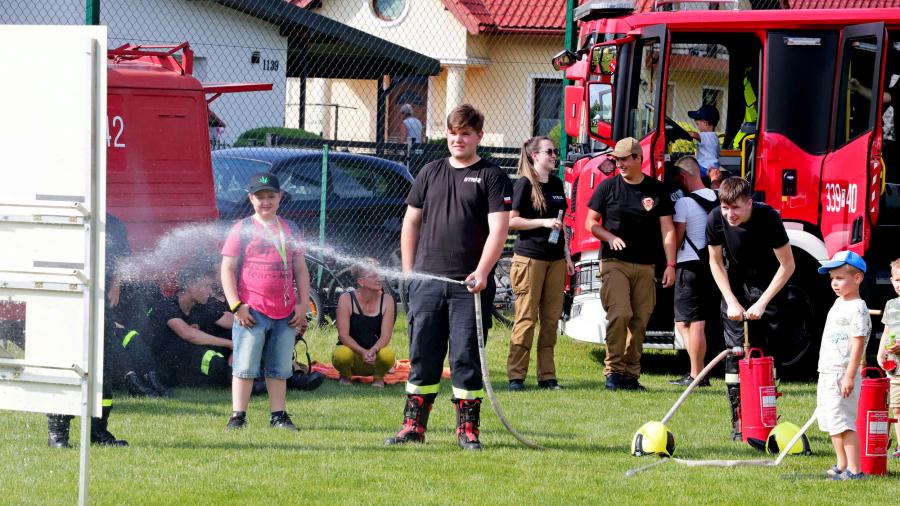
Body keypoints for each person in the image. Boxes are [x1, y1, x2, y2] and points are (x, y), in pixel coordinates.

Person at [384, 104, 512, 450]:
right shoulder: (429, 172)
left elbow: (499, 229)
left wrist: (482, 272)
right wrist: (409, 271)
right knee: (422, 355)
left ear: (478, 136)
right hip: (427, 285)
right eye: (453, 133)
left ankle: (467, 431)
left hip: (469, 288)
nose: (458, 140)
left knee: (466, 358)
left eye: (465, 134)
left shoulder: (492, 176)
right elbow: (411, 222)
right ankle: (412, 426)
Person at [706, 176, 795, 441]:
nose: (729, 214)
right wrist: (731, 300)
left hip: (768, 288)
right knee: (735, 355)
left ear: (749, 203)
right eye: (725, 208)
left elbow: (788, 265)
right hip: (735, 287)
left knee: (764, 357)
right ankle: (739, 423)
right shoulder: (715, 218)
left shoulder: (768, 218)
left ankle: (765, 420)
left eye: (735, 208)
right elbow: (715, 262)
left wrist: (763, 302)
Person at [584, 137, 676, 391]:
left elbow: (668, 229)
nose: (620, 165)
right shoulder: (608, 187)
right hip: (614, 262)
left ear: (639, 159)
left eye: (625, 159)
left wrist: (671, 265)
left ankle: (630, 375)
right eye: (617, 160)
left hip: (646, 265)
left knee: (640, 319)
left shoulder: (656, 190)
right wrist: (609, 237)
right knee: (620, 313)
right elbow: (590, 223)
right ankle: (613, 372)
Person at [221, 171, 311, 431]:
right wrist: (236, 306)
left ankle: (278, 415)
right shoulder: (242, 229)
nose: (266, 202)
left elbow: (301, 268)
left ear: (280, 197)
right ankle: (238, 416)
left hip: (286, 312)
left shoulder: (290, 229)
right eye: (260, 197)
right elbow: (227, 269)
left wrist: (302, 304)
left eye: (271, 196)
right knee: (245, 365)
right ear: (251, 198)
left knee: (280, 367)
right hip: (252, 311)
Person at [47, 213, 130, 448]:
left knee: (103, 369)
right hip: (68, 303)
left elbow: (122, 259)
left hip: (101, 305)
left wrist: (115, 286)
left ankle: (98, 431)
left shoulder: (114, 224)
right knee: (66, 364)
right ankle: (57, 433)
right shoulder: (66, 220)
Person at [506, 136, 574, 392]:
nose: (555, 155)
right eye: (550, 152)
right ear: (535, 155)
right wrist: (542, 222)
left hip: (555, 260)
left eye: (555, 151)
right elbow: (512, 221)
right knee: (526, 318)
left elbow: (562, 222)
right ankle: (516, 377)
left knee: (550, 319)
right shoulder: (524, 183)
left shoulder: (556, 183)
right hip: (530, 258)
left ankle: (547, 377)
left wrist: (567, 256)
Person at [125, 265, 235, 395]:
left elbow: (235, 322)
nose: (210, 291)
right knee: (215, 364)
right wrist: (230, 344)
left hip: (184, 363)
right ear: (190, 285)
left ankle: (247, 379)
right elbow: (188, 334)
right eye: (206, 286)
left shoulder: (202, 306)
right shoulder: (166, 305)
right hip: (161, 367)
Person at [815, 250, 870, 481]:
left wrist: (849, 375)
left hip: (842, 372)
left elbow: (858, 343)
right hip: (828, 370)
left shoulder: (858, 307)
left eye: (839, 278)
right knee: (831, 419)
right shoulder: (839, 303)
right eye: (832, 279)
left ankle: (855, 470)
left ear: (857, 278)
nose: (834, 283)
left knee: (844, 422)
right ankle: (841, 464)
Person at [669, 156, 718, 387]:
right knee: (698, 321)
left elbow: (678, 237)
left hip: (689, 266)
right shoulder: (717, 197)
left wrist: (669, 261)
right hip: (711, 265)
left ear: (683, 177)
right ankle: (698, 372)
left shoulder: (684, 203)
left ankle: (697, 374)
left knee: (687, 323)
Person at [333, 258, 397, 388]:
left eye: (380, 275)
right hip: (352, 356)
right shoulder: (346, 299)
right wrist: (362, 352)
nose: (379, 279)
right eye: (374, 276)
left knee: (388, 355)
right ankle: (346, 376)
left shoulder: (387, 300)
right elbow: (343, 336)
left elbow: (385, 336)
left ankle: (378, 378)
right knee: (341, 355)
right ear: (361, 282)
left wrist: (373, 350)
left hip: (374, 358)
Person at [876, 258, 900, 457]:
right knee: (896, 408)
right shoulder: (891, 305)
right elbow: (886, 331)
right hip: (895, 369)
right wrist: (881, 352)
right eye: (897, 280)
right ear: (891, 281)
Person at [686, 104, 721, 179]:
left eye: (698, 124)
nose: (698, 127)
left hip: (705, 169)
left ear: (705, 123)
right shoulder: (714, 136)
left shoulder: (708, 135)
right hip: (711, 166)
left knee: (683, 170)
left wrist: (681, 133)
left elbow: (693, 134)